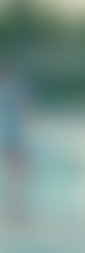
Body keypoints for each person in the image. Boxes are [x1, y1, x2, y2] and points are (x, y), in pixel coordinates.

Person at [0, 65, 30, 224]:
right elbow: (26, 108)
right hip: (14, 138)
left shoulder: (5, 90)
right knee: (18, 176)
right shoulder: (12, 89)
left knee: (13, 176)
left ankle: (13, 210)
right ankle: (15, 211)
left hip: (7, 138)